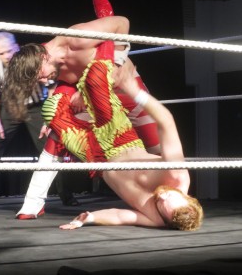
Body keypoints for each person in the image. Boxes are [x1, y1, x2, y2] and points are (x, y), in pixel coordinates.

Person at [3, 0, 161, 220]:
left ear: (42, 59)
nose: (41, 81)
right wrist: (54, 119)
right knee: (57, 133)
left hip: (122, 85)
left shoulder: (77, 38)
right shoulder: (53, 67)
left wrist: (115, 64)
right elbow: (61, 88)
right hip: (90, 92)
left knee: (156, 144)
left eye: (39, 76)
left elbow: (122, 22)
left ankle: (173, 195)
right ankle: (32, 203)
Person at [58, 54, 203, 231]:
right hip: (120, 138)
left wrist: (88, 218)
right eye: (170, 197)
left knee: (52, 112)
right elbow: (166, 120)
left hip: (98, 160)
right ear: (189, 199)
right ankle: (104, 50)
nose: (162, 196)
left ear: (166, 220)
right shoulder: (177, 174)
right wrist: (134, 92)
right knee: (96, 76)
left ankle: (61, 99)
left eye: (162, 205)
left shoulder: (155, 219)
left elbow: (121, 216)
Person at [0, 32, 78, 207]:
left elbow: (52, 86)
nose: (6, 56)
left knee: (51, 148)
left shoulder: (31, 58)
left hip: (36, 107)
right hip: (10, 107)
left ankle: (66, 195)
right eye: (1, 53)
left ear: (16, 46)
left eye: (8, 51)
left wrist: (51, 118)